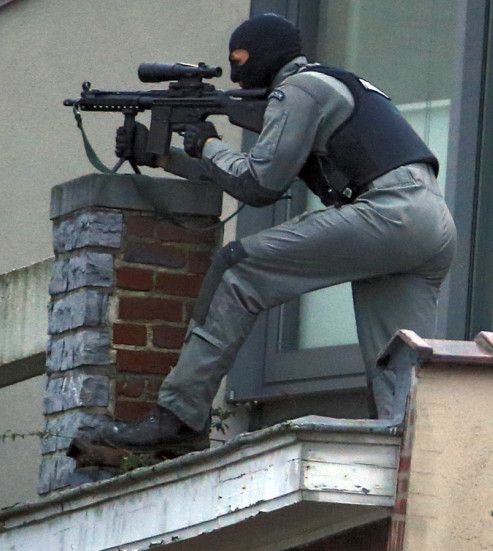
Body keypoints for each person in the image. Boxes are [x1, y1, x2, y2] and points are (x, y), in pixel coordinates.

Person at [92, 13, 456, 456]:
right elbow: (253, 174)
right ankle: (414, 455)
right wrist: (165, 158)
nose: (235, 71)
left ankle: (180, 415)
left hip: (389, 213)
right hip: (427, 223)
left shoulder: (298, 89)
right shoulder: (332, 83)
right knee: (399, 359)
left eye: (240, 59)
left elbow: (259, 185)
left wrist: (207, 143)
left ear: (263, 55)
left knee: (236, 268)